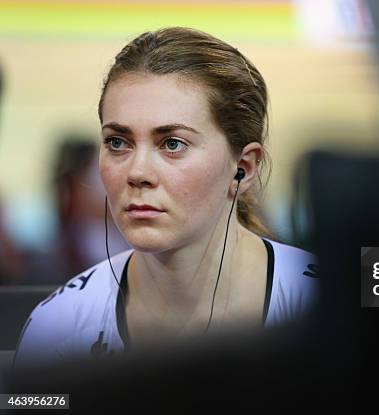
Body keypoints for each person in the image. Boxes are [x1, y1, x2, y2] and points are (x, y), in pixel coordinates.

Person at [12, 27, 319, 368]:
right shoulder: (57, 326)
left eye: (172, 143)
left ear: (243, 169)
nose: (137, 172)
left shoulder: (336, 303)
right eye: (118, 142)